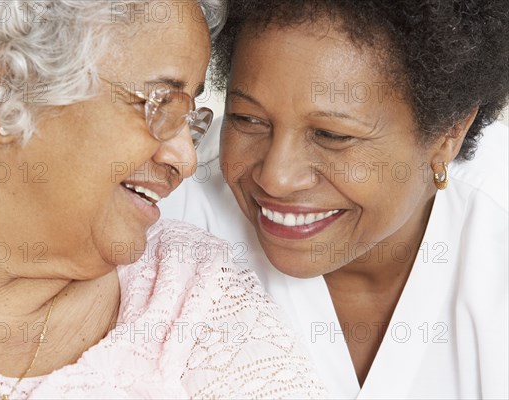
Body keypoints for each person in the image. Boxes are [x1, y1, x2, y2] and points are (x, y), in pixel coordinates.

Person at [0, 1, 328, 398]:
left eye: (190, 120)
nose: (185, 158)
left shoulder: (196, 296)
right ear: (7, 91)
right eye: (161, 102)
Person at [160, 0, 509, 398]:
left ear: (450, 132)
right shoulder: (168, 215)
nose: (276, 178)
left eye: (331, 135)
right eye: (248, 119)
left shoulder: (497, 227)